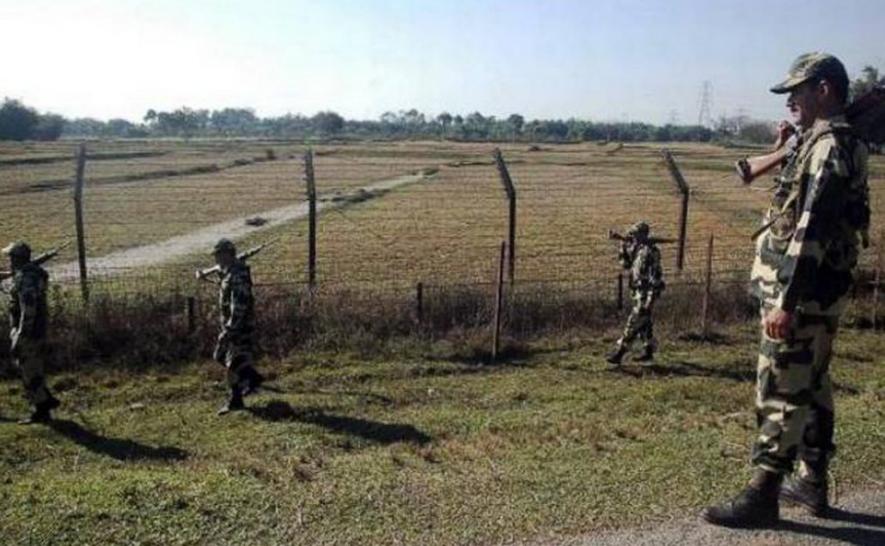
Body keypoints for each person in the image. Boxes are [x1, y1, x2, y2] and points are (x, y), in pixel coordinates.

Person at [704, 52, 870, 527]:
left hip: (803, 295)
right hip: (818, 293)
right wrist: (784, 147)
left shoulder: (829, 147)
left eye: (798, 91)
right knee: (811, 384)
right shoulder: (821, 141)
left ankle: (763, 493)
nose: (790, 100)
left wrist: (787, 302)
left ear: (824, 90)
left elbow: (812, 227)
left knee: (780, 385)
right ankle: (812, 481)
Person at [3, 241, 60, 424]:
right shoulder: (32, 273)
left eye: (11, 257)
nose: (9, 261)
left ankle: (41, 409)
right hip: (37, 328)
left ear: (17, 259)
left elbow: (29, 308)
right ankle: (45, 399)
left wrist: (21, 334)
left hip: (29, 330)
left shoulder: (25, 278)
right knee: (33, 366)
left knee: (28, 368)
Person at [210, 238, 264, 415]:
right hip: (234, 325)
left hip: (238, 326)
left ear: (227, 254)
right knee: (224, 357)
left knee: (231, 363)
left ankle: (236, 400)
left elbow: (238, 305)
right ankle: (252, 378)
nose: (216, 259)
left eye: (218, 255)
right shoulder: (230, 272)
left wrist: (230, 329)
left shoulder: (237, 276)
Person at [605, 221, 665, 366]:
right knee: (644, 323)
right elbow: (625, 264)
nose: (633, 237)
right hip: (637, 292)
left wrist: (650, 298)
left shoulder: (651, 252)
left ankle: (619, 353)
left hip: (646, 293)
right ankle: (648, 352)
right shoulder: (636, 249)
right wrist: (622, 246)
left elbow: (656, 276)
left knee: (633, 322)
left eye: (635, 235)